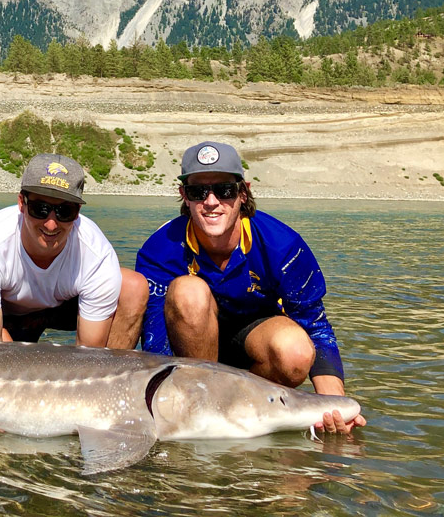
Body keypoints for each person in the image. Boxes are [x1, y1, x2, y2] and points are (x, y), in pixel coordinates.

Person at [135, 140, 366, 434]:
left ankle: (240, 407)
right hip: (191, 351)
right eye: (198, 191)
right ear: (184, 195)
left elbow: (316, 327)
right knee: (188, 292)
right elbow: (156, 341)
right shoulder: (159, 248)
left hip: (252, 340)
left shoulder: (284, 246)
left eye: (224, 190)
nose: (210, 201)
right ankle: (199, 411)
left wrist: (335, 407)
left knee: (295, 351)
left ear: (243, 193)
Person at [0, 153, 148, 348]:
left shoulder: (97, 254)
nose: (51, 224)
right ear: (21, 203)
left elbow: (89, 352)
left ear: (77, 212)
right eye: (40, 209)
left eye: (64, 212)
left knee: (132, 287)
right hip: (8, 314)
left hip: (65, 308)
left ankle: (113, 375)